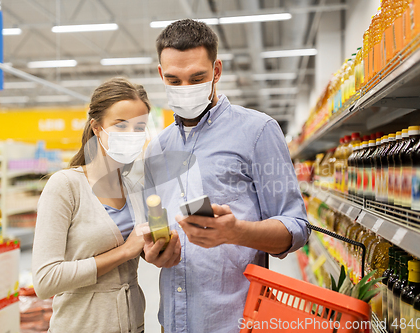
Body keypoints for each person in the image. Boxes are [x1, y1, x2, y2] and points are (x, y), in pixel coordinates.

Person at [142, 19, 310, 333]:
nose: (185, 89)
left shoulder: (258, 132)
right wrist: (154, 252)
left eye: (197, 77)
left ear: (216, 71)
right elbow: (154, 226)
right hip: (173, 322)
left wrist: (236, 232)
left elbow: (297, 227)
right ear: (160, 74)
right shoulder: (157, 149)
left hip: (235, 323)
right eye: (174, 80)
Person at [32, 78, 160, 333]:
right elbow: (45, 280)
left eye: (139, 127)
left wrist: (158, 248)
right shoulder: (66, 186)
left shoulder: (135, 189)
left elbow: (141, 251)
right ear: (97, 127)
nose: (132, 135)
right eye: (120, 125)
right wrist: (124, 251)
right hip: (83, 325)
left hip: (133, 324)